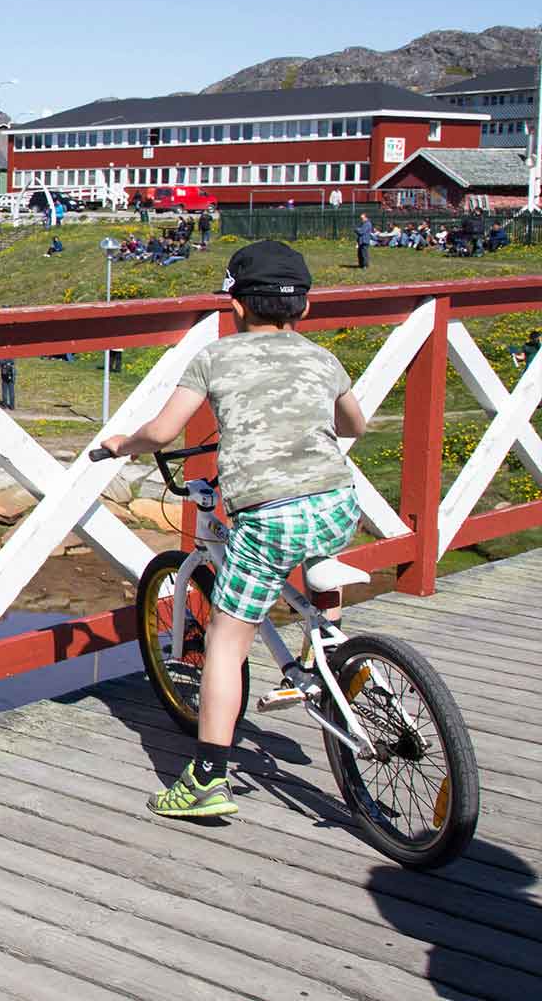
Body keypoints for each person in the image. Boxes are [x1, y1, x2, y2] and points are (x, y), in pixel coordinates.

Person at [99, 241, 367, 820]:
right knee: (317, 543)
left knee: (225, 636)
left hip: (266, 512)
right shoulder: (322, 357)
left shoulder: (216, 358)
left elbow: (165, 431)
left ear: (236, 306)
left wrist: (125, 442)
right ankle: (332, 649)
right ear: (306, 308)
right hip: (339, 499)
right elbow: (355, 423)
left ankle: (207, 778)